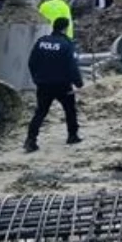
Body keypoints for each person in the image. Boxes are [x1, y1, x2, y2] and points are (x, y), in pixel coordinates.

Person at [24, 17, 82, 152]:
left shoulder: (41, 41)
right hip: (62, 84)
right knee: (70, 110)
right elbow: (72, 66)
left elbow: (32, 62)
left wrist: (36, 78)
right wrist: (78, 83)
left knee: (40, 112)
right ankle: (72, 136)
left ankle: (30, 140)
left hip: (43, 84)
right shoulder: (66, 44)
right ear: (65, 28)